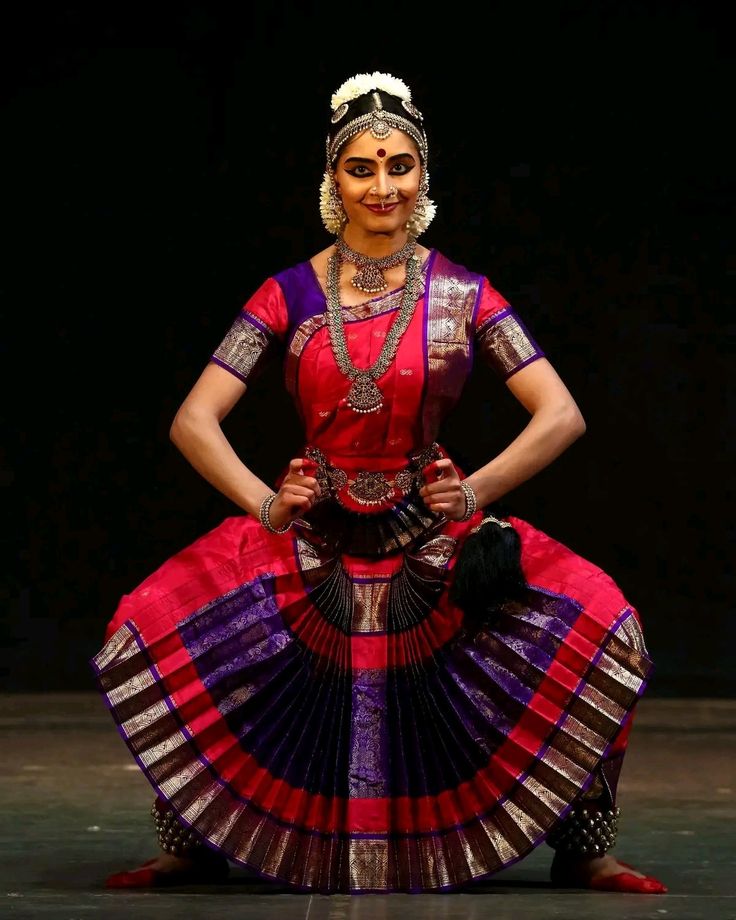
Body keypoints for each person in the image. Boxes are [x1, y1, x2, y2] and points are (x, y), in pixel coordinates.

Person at [94, 71, 667, 895]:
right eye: (361, 168)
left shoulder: (464, 293)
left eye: (400, 166)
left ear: (423, 178)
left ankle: (586, 850)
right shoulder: (287, 294)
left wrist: (474, 493)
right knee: (156, 626)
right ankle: (189, 846)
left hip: (427, 546)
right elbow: (194, 420)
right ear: (333, 180)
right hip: (315, 541)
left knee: (603, 624)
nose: (382, 186)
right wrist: (266, 502)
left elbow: (560, 415)